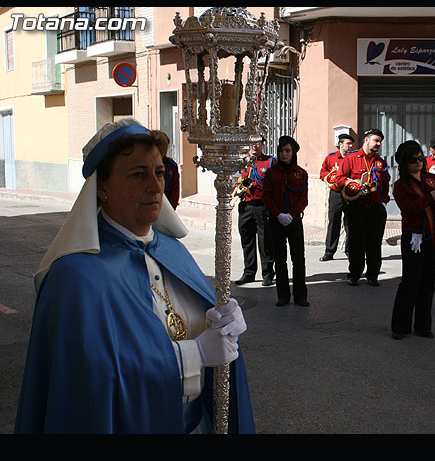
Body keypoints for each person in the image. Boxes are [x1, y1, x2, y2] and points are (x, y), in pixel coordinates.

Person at [14, 118, 255, 434]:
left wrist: (220, 323)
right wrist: (194, 355)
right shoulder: (73, 278)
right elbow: (89, 385)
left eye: (158, 172)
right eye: (138, 174)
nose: (156, 187)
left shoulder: (172, 251)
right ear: (102, 188)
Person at [390, 141, 435, 340]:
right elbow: (408, 209)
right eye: (413, 159)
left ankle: (423, 325)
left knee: (428, 283)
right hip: (414, 238)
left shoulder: (431, 179)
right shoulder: (400, 186)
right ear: (404, 163)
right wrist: (430, 196)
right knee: (410, 282)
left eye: (420, 158)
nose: (418, 162)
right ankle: (400, 326)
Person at [334, 128, 390, 287]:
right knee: (356, 243)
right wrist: (355, 184)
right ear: (366, 140)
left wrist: (384, 200)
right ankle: (354, 274)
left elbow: (385, 182)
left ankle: (373, 275)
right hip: (356, 207)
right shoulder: (351, 158)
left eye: (380, 141)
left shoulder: (380, 161)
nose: (378, 144)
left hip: (376, 209)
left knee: (374, 244)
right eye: (376, 140)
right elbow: (339, 180)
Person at [262, 135, 309, 306]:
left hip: (294, 221)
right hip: (276, 221)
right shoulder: (271, 173)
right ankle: (282, 295)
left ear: (293, 152)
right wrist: (279, 214)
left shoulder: (301, 173)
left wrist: (291, 214)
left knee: (298, 259)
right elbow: (266, 196)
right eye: (281, 151)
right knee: (280, 259)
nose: (284, 154)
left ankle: (300, 296)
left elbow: (303, 199)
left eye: (287, 151)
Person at [234, 138, 276, 287]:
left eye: (258, 142)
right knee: (247, 240)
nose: (254, 145)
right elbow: (234, 181)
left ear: (263, 143)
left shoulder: (270, 162)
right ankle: (249, 272)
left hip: (262, 206)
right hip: (245, 205)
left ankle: (267, 273)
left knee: (265, 241)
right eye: (252, 142)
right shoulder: (242, 162)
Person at [319, 133, 355, 261]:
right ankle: (329, 252)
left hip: (350, 193)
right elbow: (322, 172)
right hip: (336, 193)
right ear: (340, 144)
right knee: (333, 221)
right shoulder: (331, 158)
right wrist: (329, 178)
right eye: (348, 144)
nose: (350, 146)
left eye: (351, 144)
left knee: (350, 223)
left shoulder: (354, 158)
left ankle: (350, 250)